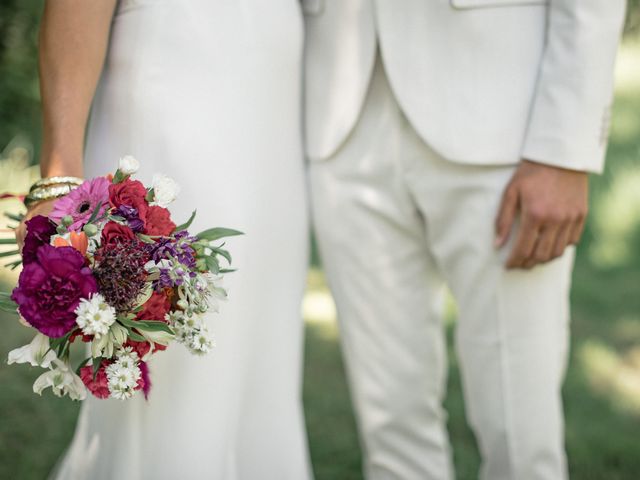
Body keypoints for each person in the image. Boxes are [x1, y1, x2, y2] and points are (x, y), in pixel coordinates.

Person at [303, 0, 626, 479]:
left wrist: (564, 148)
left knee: (520, 433)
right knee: (391, 429)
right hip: (341, 108)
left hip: (503, 118)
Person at [16, 1, 312, 478]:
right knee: (180, 378)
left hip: (272, 122)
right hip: (173, 86)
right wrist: (59, 176)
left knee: (261, 369)